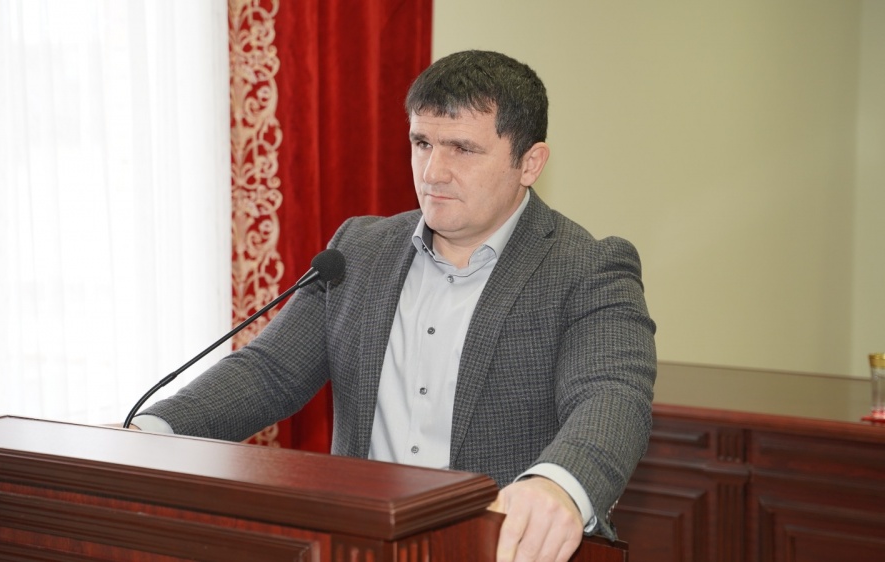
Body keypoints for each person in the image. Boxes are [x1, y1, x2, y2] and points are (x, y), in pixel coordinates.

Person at [131, 50, 656, 562]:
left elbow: (611, 396)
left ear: (530, 163)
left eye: (462, 149)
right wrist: (151, 434)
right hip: (356, 543)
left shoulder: (588, 268)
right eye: (422, 143)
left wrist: (557, 485)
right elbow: (269, 373)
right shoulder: (358, 250)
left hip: (501, 547)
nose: (433, 172)